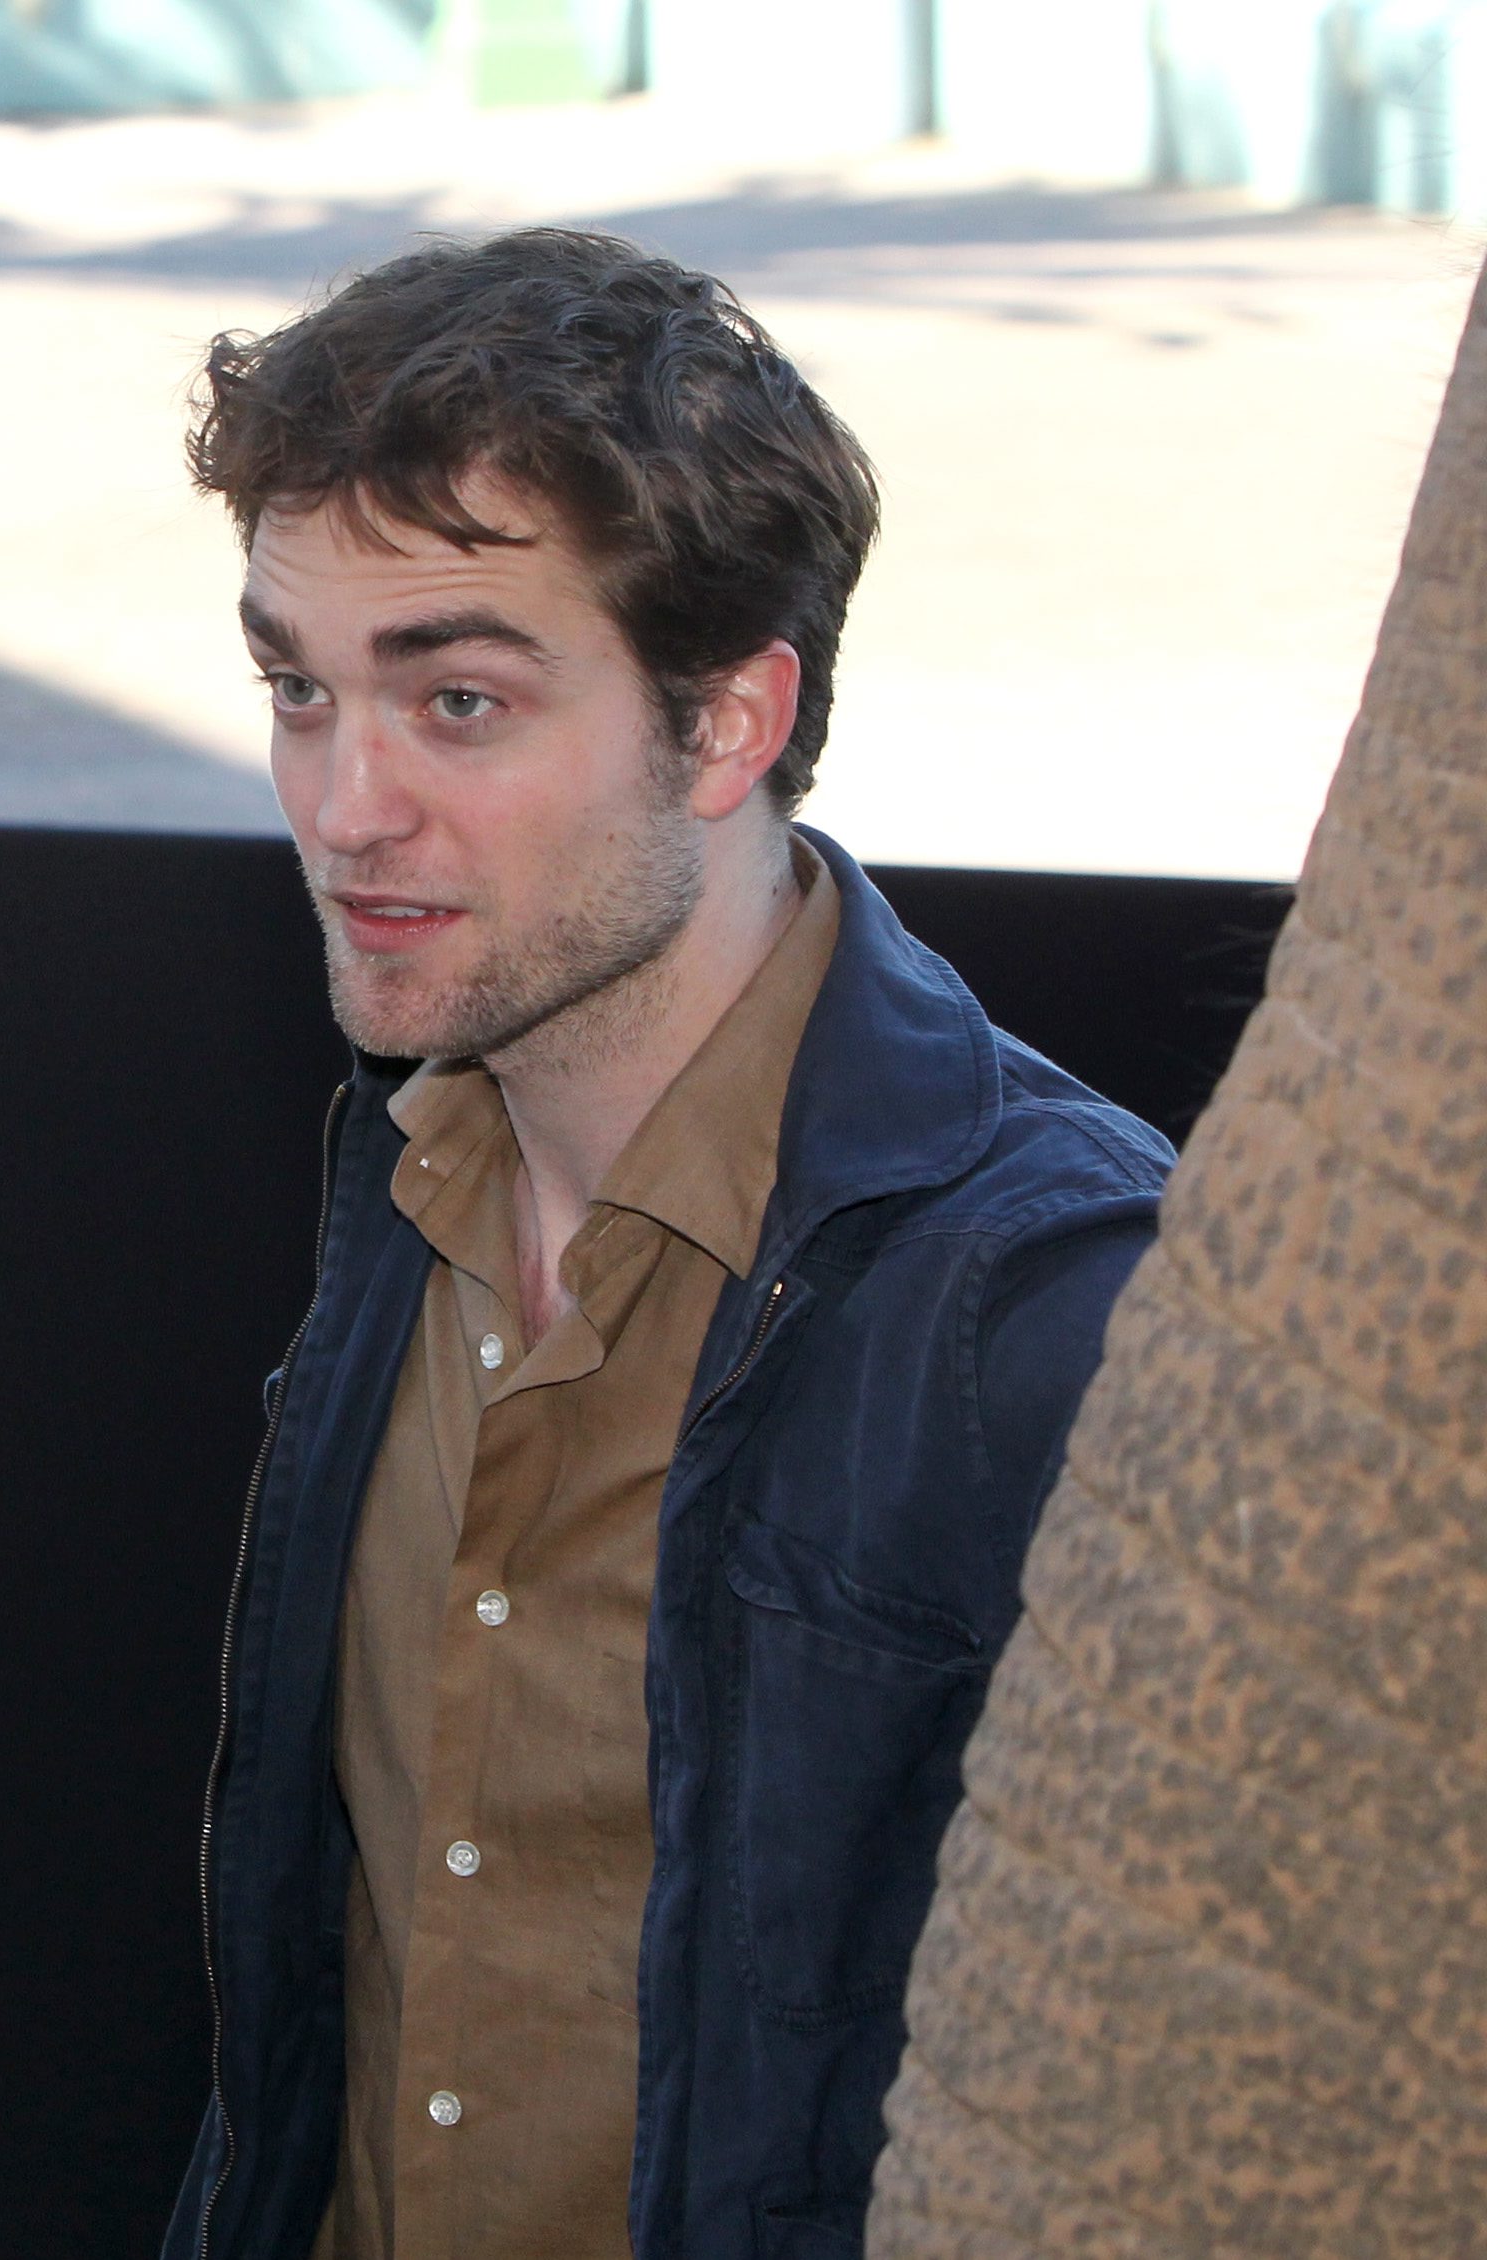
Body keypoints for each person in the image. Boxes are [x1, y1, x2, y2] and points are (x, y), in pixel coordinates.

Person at [165, 231, 1175, 2260]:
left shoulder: (1054, 1307)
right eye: (297, 690)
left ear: (725, 721)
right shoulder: (400, 1183)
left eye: (457, 700)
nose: (343, 807)